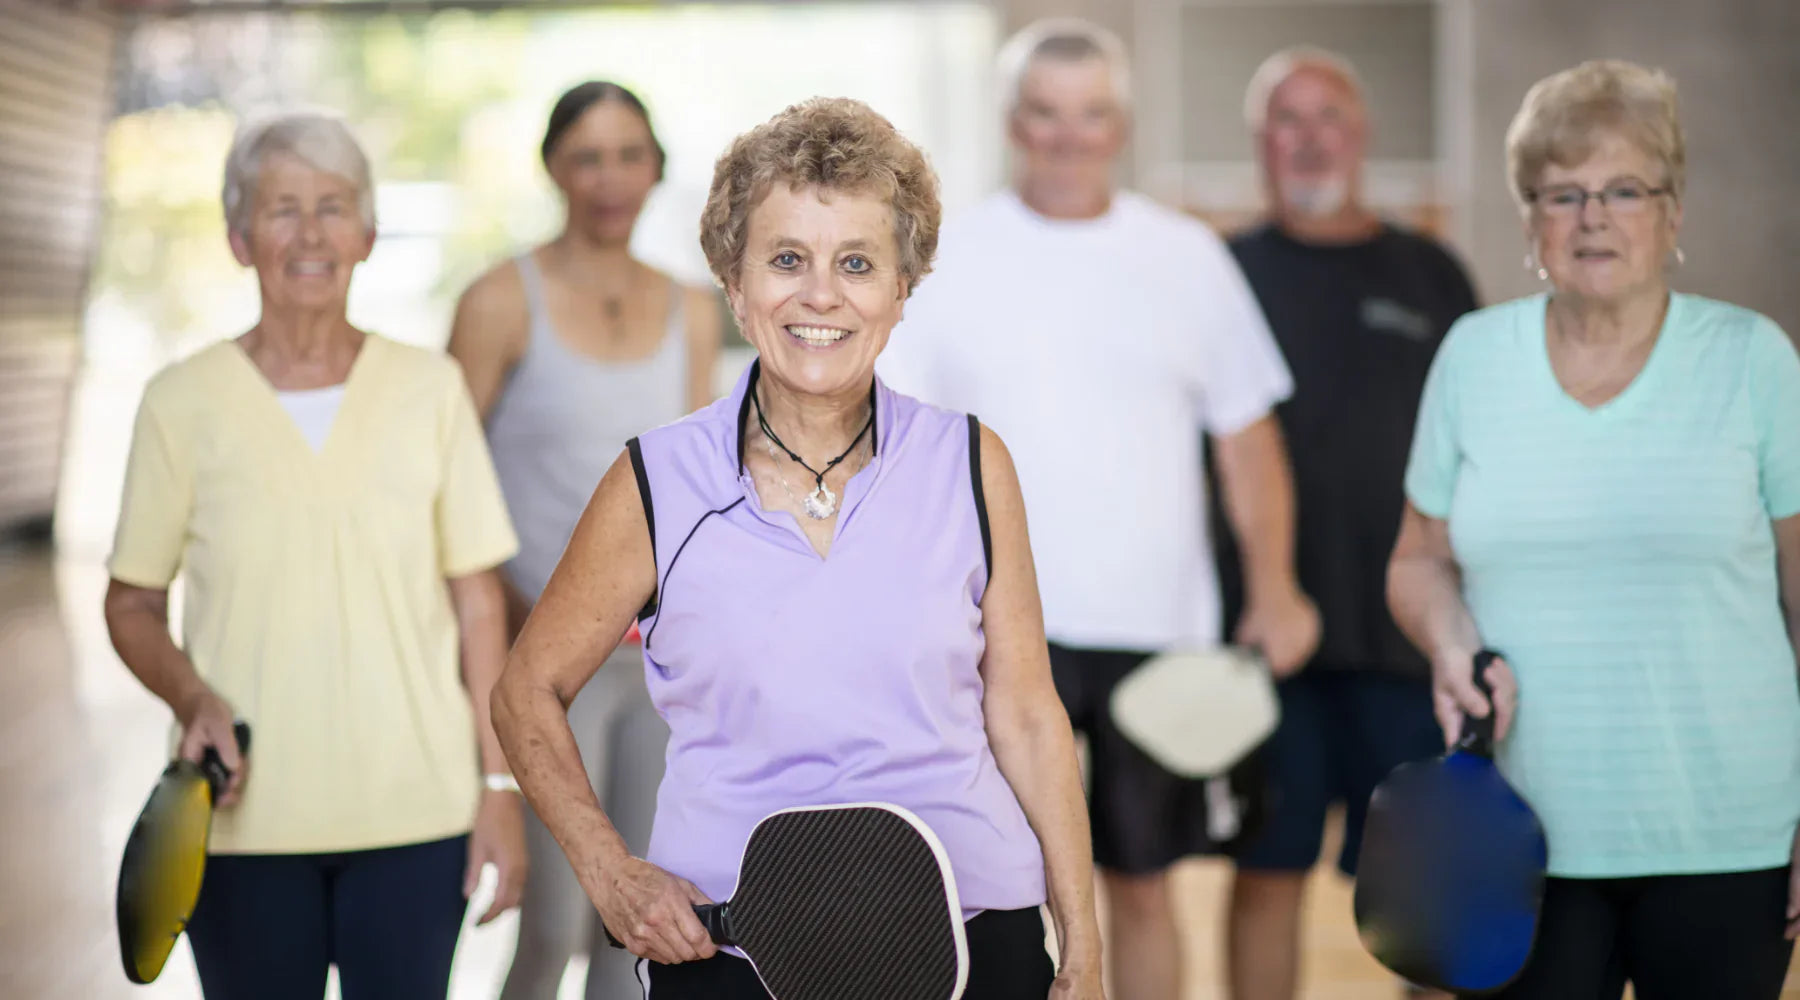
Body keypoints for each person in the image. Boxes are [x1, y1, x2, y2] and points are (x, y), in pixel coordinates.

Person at [490, 96, 1106, 1000]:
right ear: (734, 285)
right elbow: (526, 691)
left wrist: (1084, 950)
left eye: (857, 263)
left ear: (902, 289)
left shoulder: (973, 464)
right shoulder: (657, 482)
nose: (821, 295)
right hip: (732, 952)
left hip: (974, 936)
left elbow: (1027, 715)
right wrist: (611, 872)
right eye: (786, 260)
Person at [877, 20, 1319, 1000]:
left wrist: (1276, 587)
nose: (1068, 136)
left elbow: (1248, 441)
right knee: (993, 889)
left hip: (1153, 627)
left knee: (1143, 886)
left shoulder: (1186, 255)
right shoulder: (946, 258)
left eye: (1090, 114)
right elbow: (901, 448)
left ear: (1121, 124)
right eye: (1045, 112)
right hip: (988, 627)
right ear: (1011, 121)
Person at [1387, 59, 1800, 998]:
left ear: (1673, 213)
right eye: (1562, 194)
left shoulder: (1753, 360)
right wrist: (1449, 640)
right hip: (1514, 837)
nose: (1593, 218)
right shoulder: (1473, 358)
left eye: (1624, 190)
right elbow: (1418, 558)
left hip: (1728, 832)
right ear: (1529, 222)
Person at [103, 109, 524, 999]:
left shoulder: (431, 389)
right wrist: (192, 697)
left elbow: (479, 602)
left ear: (366, 235)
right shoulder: (180, 402)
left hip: (419, 814)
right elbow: (130, 603)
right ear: (238, 238)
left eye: (333, 207)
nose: (310, 234)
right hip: (240, 822)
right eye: (281, 208)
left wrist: (498, 784)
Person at [448, 80, 720, 1000]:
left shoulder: (690, 307)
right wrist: (503, 615)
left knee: (636, 928)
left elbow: (693, 479)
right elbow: (444, 485)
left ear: (656, 169)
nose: (611, 179)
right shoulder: (499, 300)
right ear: (554, 170)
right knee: (556, 923)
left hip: (654, 659)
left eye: (630, 156)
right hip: (546, 659)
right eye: (588, 158)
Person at [1215, 48, 1477, 1000]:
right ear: (1260, 142)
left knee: (1430, 884)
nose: (1310, 139)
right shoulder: (1221, 273)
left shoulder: (1430, 272)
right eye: (1288, 119)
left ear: (1361, 135)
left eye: (1329, 116)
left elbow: (1479, 443)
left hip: (1407, 637)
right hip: (1264, 637)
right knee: (1266, 872)